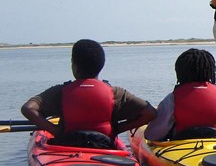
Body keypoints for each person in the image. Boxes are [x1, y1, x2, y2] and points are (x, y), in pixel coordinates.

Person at [21, 39, 157, 147]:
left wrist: (56, 131)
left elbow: (28, 108)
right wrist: (118, 129)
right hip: (104, 146)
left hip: (66, 146)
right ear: (101, 65)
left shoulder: (60, 92)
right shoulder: (117, 93)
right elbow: (150, 113)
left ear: (74, 65)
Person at [144, 48, 216, 141]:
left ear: (180, 72)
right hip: (214, 146)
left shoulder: (172, 98)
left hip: (179, 149)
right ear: (210, 71)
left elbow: (152, 135)